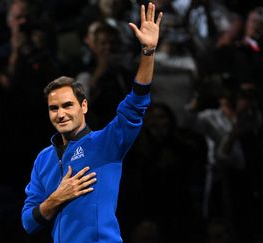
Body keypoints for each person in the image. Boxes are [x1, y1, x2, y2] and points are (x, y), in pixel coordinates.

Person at [21, 3, 163, 242]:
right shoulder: (43, 159)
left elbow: (136, 104)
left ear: (83, 106)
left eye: (67, 105)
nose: (60, 114)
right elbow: (28, 222)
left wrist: (148, 51)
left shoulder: (105, 143)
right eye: (53, 108)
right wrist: (57, 197)